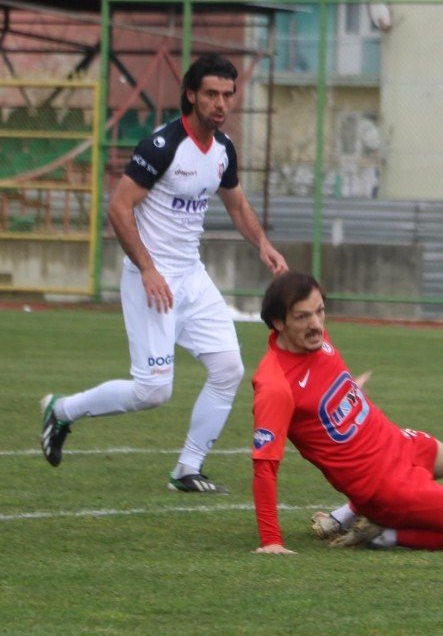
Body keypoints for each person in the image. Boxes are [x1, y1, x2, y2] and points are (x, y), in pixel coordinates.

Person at [40, 54, 289, 493]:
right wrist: (148, 268)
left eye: (228, 95)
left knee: (229, 368)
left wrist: (263, 245)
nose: (220, 103)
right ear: (191, 94)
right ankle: (62, 411)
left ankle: (186, 469)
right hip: (150, 280)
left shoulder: (224, 150)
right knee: (153, 391)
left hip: (191, 277)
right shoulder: (163, 146)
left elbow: (236, 205)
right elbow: (118, 207)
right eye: (211, 93)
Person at [250, 271, 443, 554]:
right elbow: (264, 467)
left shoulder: (314, 338)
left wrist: (351, 389)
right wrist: (271, 541)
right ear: (279, 323)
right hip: (386, 487)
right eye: (303, 317)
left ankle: (347, 515)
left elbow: (324, 389)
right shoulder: (275, 385)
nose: (316, 324)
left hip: (396, 442)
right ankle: (387, 534)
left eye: (320, 311)